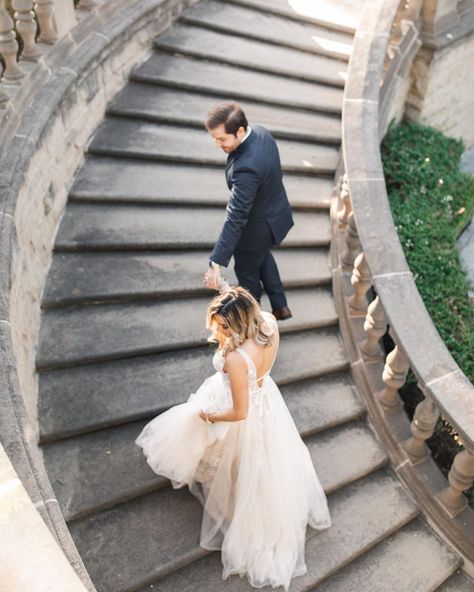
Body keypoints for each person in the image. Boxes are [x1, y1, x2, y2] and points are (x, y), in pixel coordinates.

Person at [135, 287, 331, 591]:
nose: (218, 331)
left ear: (240, 323)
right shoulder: (267, 322)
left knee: (236, 463)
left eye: (224, 326)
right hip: (266, 400)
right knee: (265, 461)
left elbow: (239, 412)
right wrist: (224, 286)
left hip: (240, 413)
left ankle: (241, 512)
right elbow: (242, 304)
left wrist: (209, 416)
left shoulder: (237, 360)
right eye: (218, 324)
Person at [203, 102, 294, 321]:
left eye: (222, 138)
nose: (218, 144)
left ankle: (256, 324)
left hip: (254, 232)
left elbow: (235, 217)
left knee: (248, 277)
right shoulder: (262, 132)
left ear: (240, 131)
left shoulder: (246, 169)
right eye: (215, 138)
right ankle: (280, 305)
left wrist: (216, 263)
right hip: (275, 215)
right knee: (262, 256)